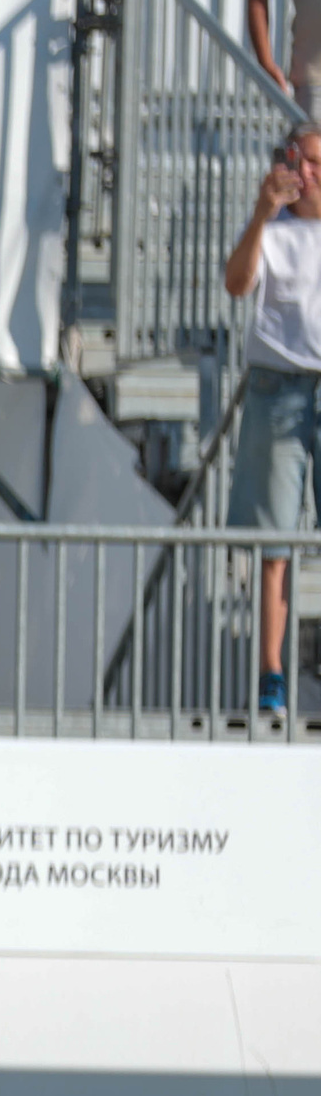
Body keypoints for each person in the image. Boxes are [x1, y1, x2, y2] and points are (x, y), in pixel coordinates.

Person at [224, 121, 321, 715]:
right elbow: (237, 284)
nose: (303, 172)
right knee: (274, 539)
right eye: (296, 159)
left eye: (314, 162)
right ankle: (272, 674)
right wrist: (262, 214)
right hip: (278, 385)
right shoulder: (273, 228)